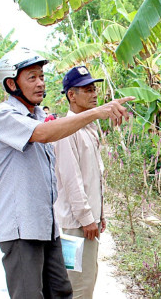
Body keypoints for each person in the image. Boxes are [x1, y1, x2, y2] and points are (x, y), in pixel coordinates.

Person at [0, 48, 133, 299]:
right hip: (22, 229)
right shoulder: (5, 115)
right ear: (12, 84)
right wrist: (98, 112)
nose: (40, 83)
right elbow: (44, 136)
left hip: (48, 226)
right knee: (29, 295)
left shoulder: (41, 115)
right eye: (32, 77)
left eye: (42, 76)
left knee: (62, 291)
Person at [53, 66, 108, 298]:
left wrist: (99, 215)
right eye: (87, 90)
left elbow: (93, 178)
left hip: (87, 221)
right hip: (76, 225)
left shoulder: (89, 127)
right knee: (78, 286)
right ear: (71, 95)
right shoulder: (67, 131)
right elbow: (71, 179)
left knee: (88, 278)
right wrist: (87, 218)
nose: (94, 94)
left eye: (94, 89)